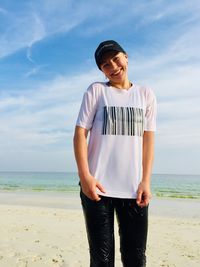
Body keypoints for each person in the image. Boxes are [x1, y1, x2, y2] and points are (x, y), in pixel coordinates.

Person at [73, 40, 157, 267]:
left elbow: (148, 139)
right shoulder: (96, 91)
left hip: (134, 190)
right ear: (101, 70)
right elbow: (80, 134)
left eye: (115, 58)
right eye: (105, 64)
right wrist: (85, 178)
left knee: (136, 258)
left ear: (126, 57)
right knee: (101, 260)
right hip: (97, 189)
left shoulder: (146, 94)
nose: (113, 66)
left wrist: (146, 181)